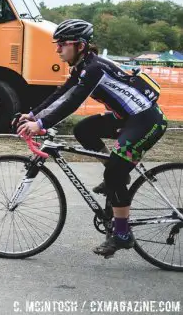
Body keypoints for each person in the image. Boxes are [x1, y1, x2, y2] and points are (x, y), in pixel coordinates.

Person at [16, 19, 168, 258]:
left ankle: (122, 235)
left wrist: (41, 124)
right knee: (83, 131)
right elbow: (61, 92)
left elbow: (73, 102)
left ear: (80, 45)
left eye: (62, 44)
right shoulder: (81, 67)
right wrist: (34, 114)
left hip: (146, 121)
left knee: (114, 175)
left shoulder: (94, 68)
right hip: (126, 118)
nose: (57, 49)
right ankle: (118, 172)